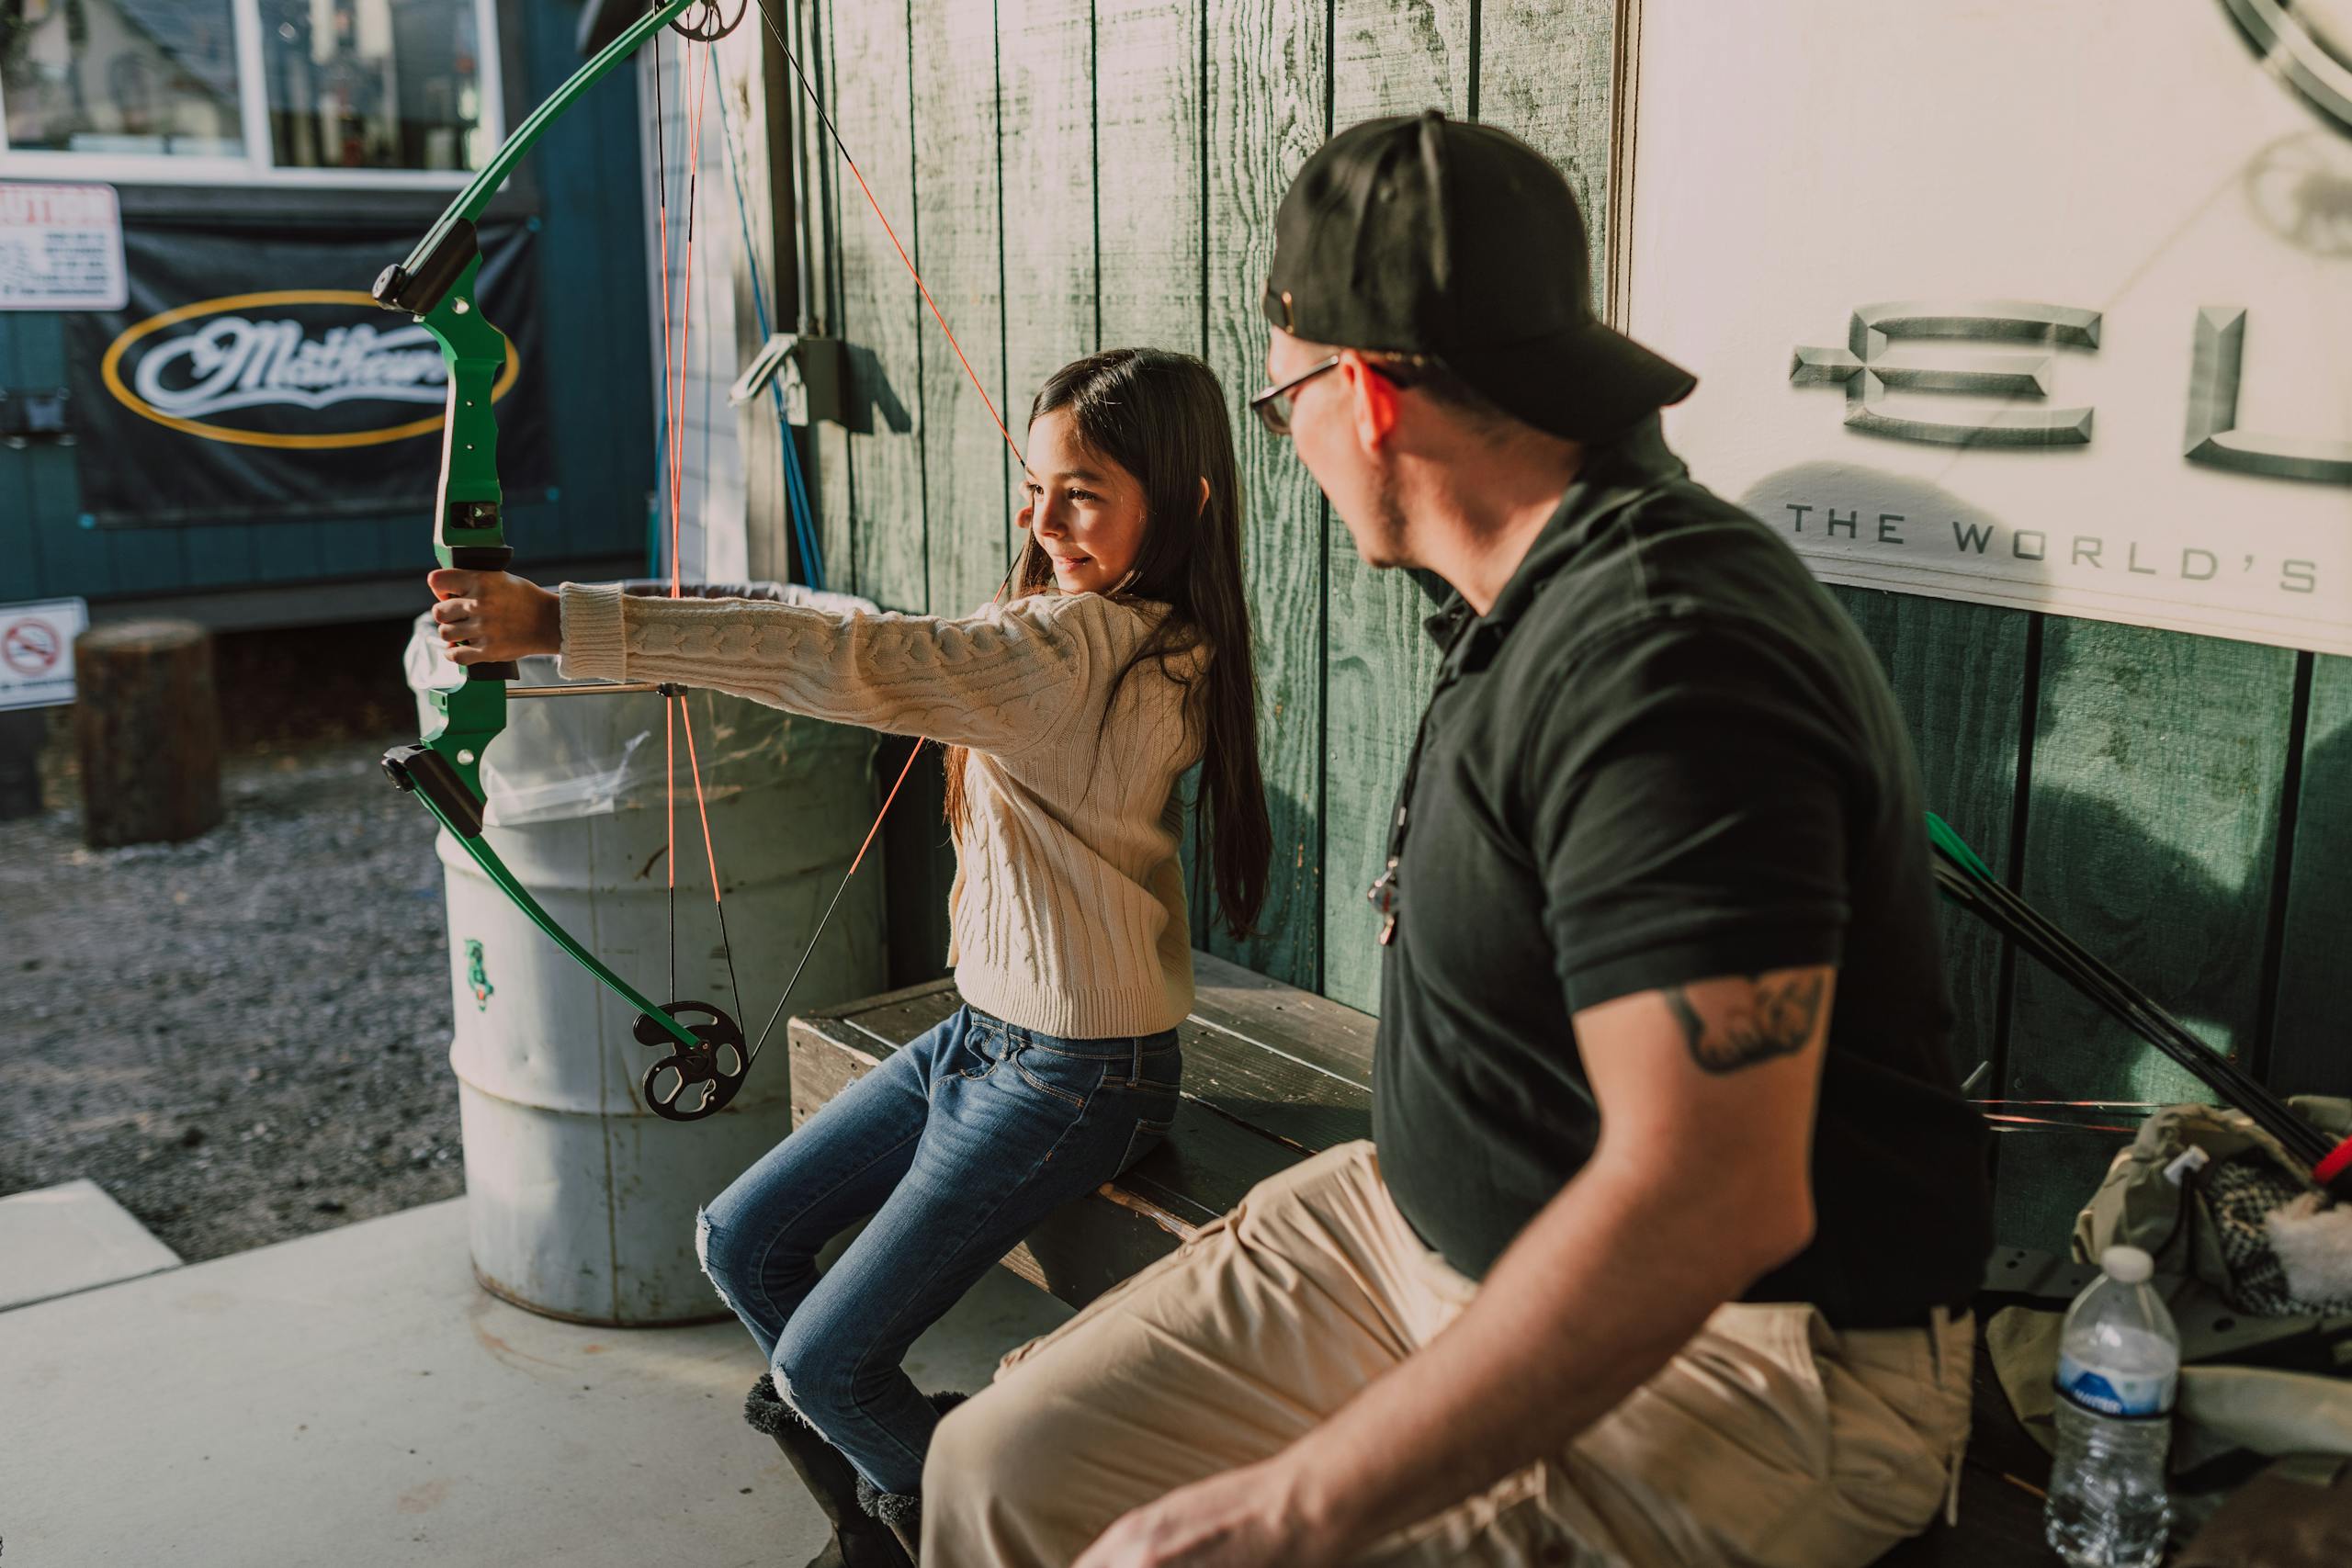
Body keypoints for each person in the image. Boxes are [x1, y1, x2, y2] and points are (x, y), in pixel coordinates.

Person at [920, 111, 1996, 1568]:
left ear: (1361, 398)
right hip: (1415, 1224)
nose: (1283, 441)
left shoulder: (1667, 665)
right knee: (1001, 1468)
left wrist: (1296, 1505)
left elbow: (1709, 1197)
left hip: (1746, 1352)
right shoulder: (1526, 590)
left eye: (1278, 399)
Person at [424, 347, 1272, 1566]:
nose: (1042, 518)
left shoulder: (1088, 653)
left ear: (1184, 497)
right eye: (1033, 484)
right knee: (739, 1240)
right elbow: (879, 645)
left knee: (824, 1360)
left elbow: (848, 658)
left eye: (1082, 492)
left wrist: (562, 623)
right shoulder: (1090, 633)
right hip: (993, 1037)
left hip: (1080, 1070)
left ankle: (984, 1535)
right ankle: (894, 1513)